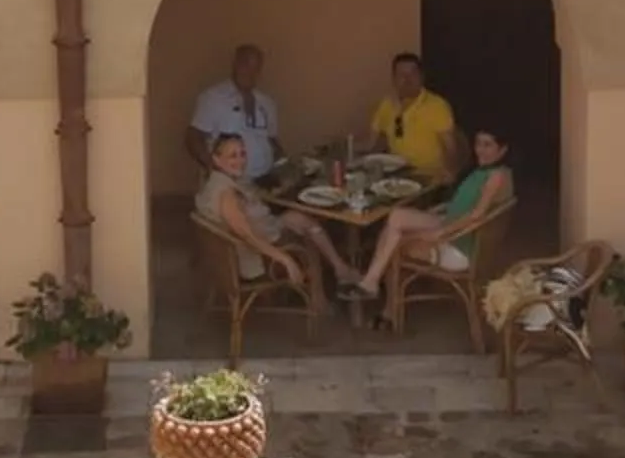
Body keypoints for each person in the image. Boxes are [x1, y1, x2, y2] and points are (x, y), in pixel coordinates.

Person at [353, 128, 515, 310]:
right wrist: (443, 210)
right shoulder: (488, 171)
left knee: (391, 241)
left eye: (488, 145)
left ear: (502, 150)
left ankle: (386, 306)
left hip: (458, 247)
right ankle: (371, 281)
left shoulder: (495, 176)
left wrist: (441, 232)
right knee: (396, 216)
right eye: (478, 144)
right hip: (452, 224)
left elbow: (477, 215)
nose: (481, 150)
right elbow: (467, 205)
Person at [195, 132, 354, 302]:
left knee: (300, 218)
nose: (240, 161)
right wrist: (283, 258)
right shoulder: (226, 194)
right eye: (232, 156)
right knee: (308, 239)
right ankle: (319, 300)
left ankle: (340, 269)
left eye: (242, 154)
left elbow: (253, 202)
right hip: (256, 257)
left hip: (264, 230)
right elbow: (246, 235)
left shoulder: (221, 180)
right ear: (217, 159)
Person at [186, 43, 282, 188]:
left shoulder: (267, 103)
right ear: (235, 64)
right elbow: (193, 137)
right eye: (245, 64)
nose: (249, 72)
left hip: (264, 183)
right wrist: (213, 169)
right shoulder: (213, 98)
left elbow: (272, 140)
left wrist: (284, 166)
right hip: (229, 184)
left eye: (255, 67)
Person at [369, 52, 458, 185]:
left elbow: (450, 146)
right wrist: (371, 162)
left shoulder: (436, 106)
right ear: (393, 79)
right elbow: (380, 138)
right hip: (395, 174)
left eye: (413, 74)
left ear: (422, 77)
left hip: (426, 176)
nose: (407, 80)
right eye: (401, 75)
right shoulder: (387, 104)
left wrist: (450, 171)